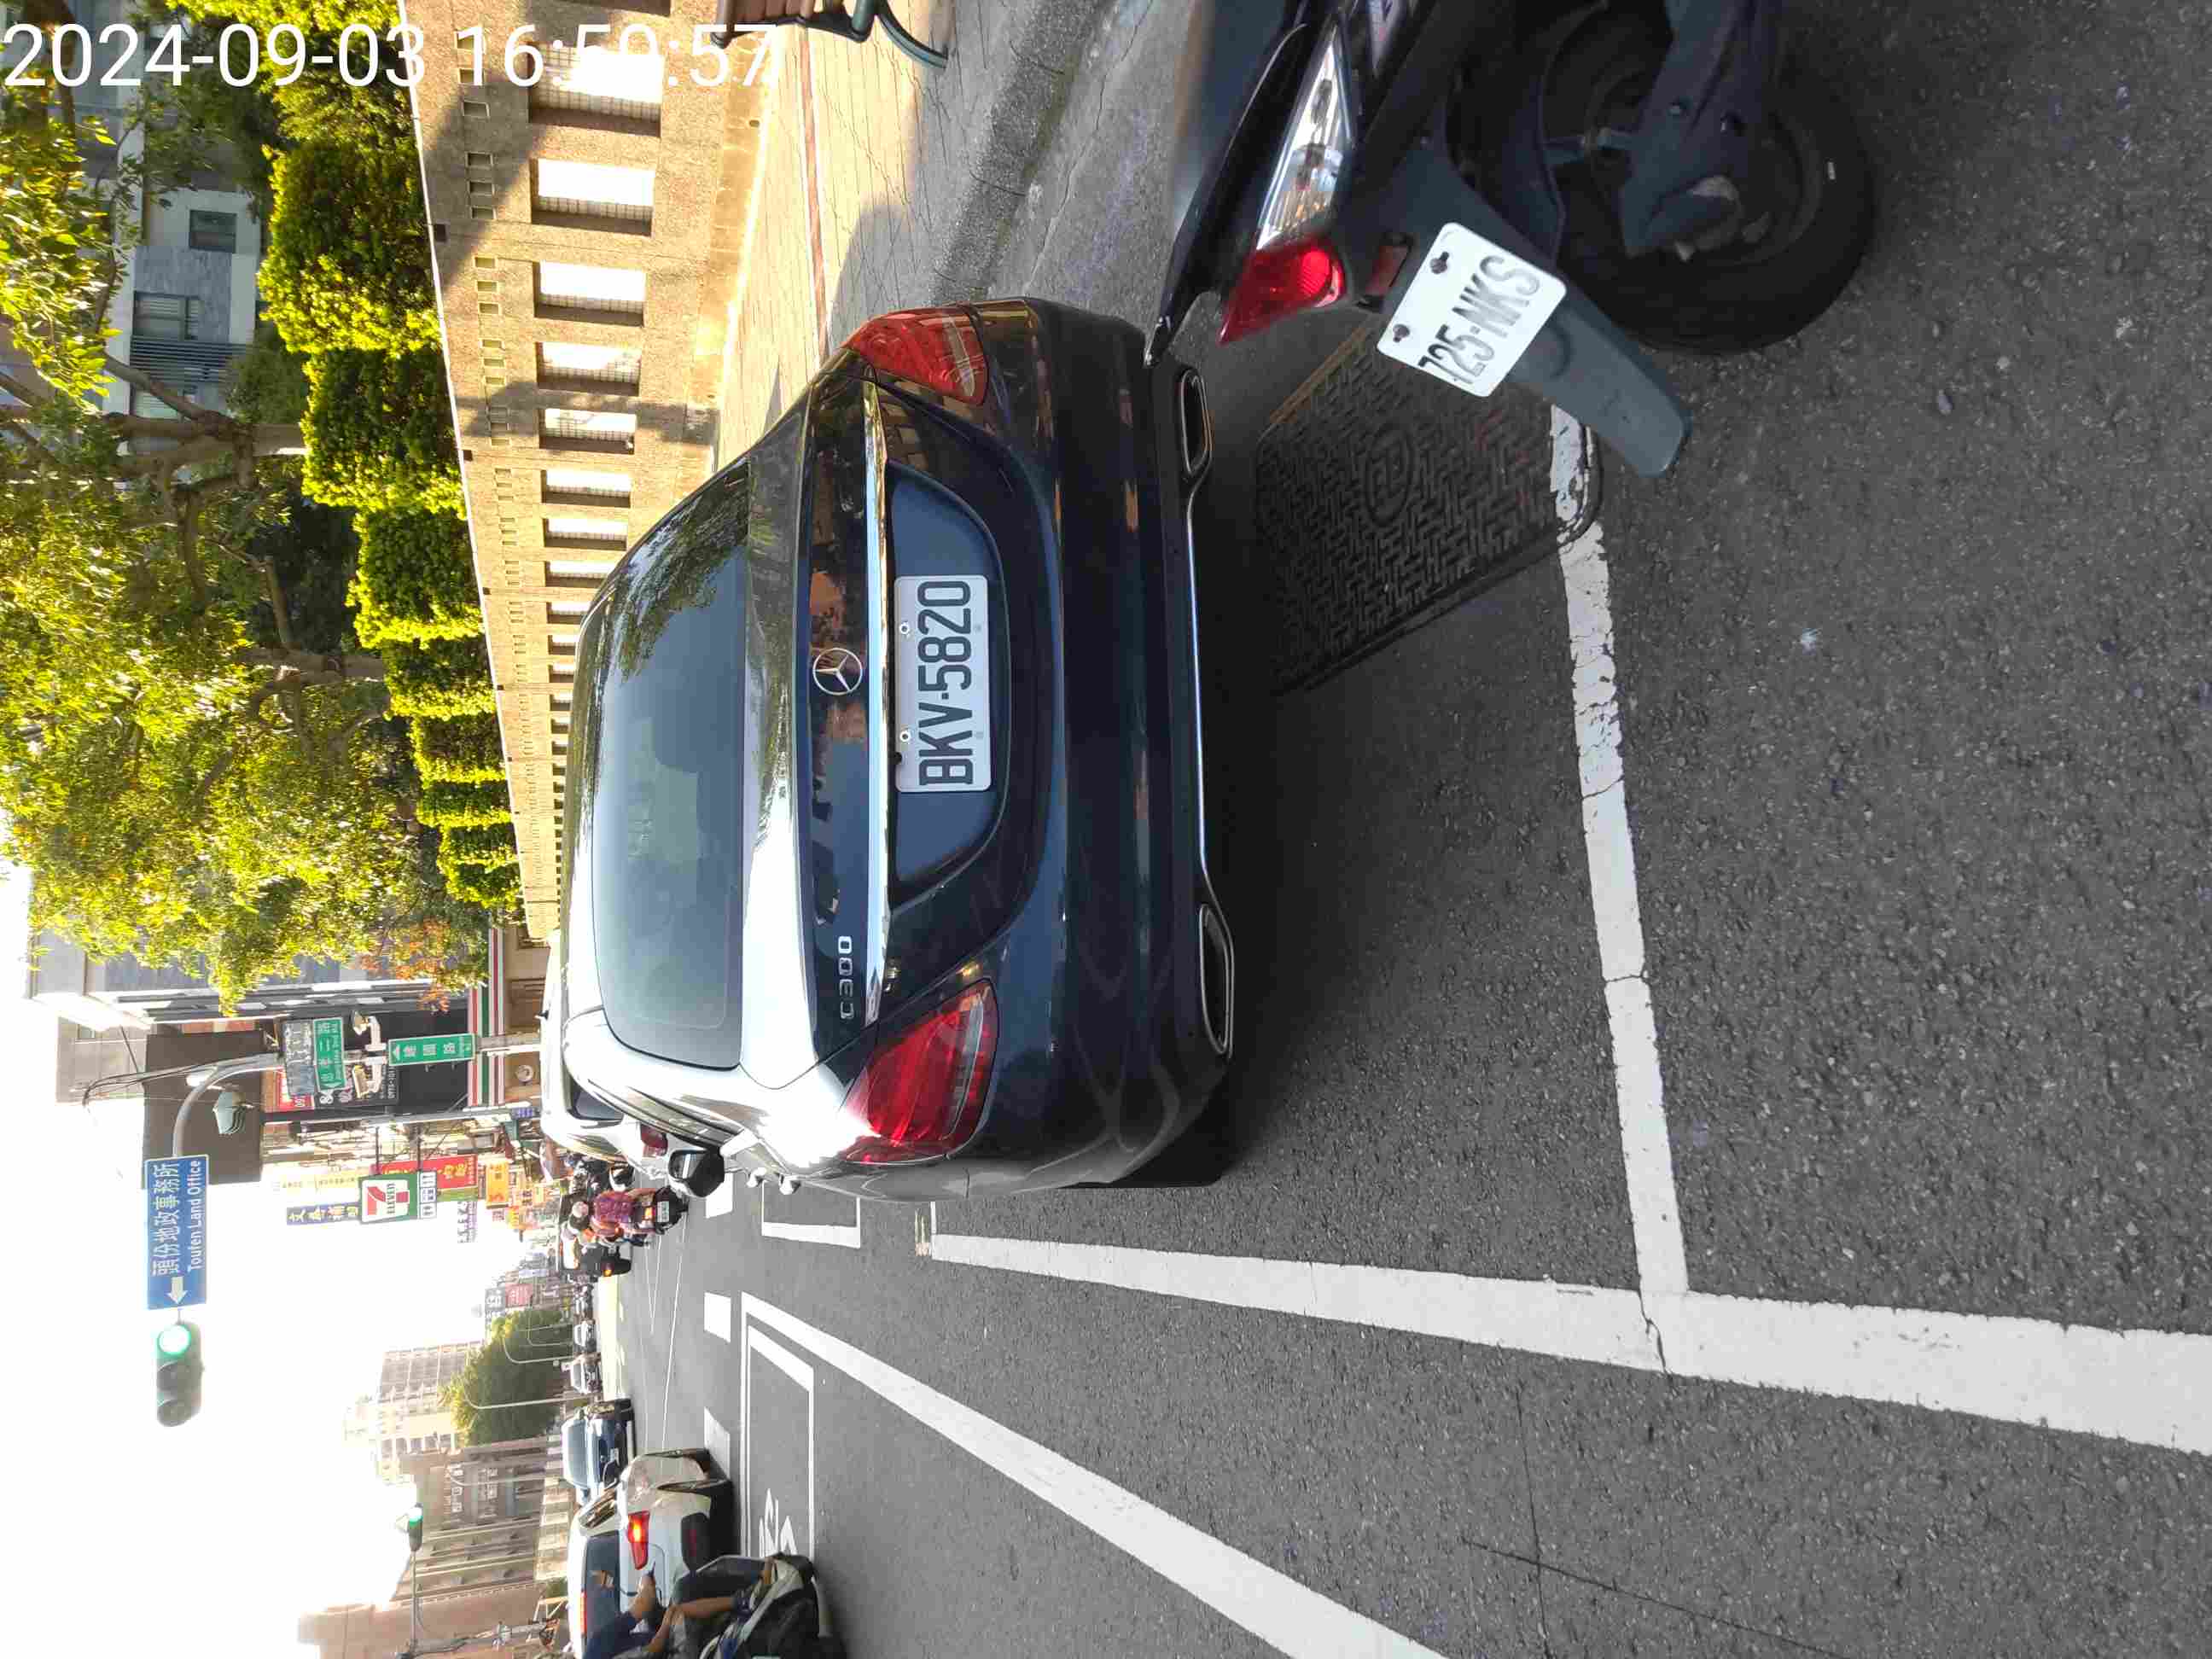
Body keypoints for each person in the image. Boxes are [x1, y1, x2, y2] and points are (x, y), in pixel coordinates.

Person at [580, 1569, 755, 1659]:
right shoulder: (597, 1646)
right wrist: (645, 1583)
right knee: (682, 1592)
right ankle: (743, 1599)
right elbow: (653, 1647)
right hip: (673, 1652)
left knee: (658, 1616)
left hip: (663, 1649)